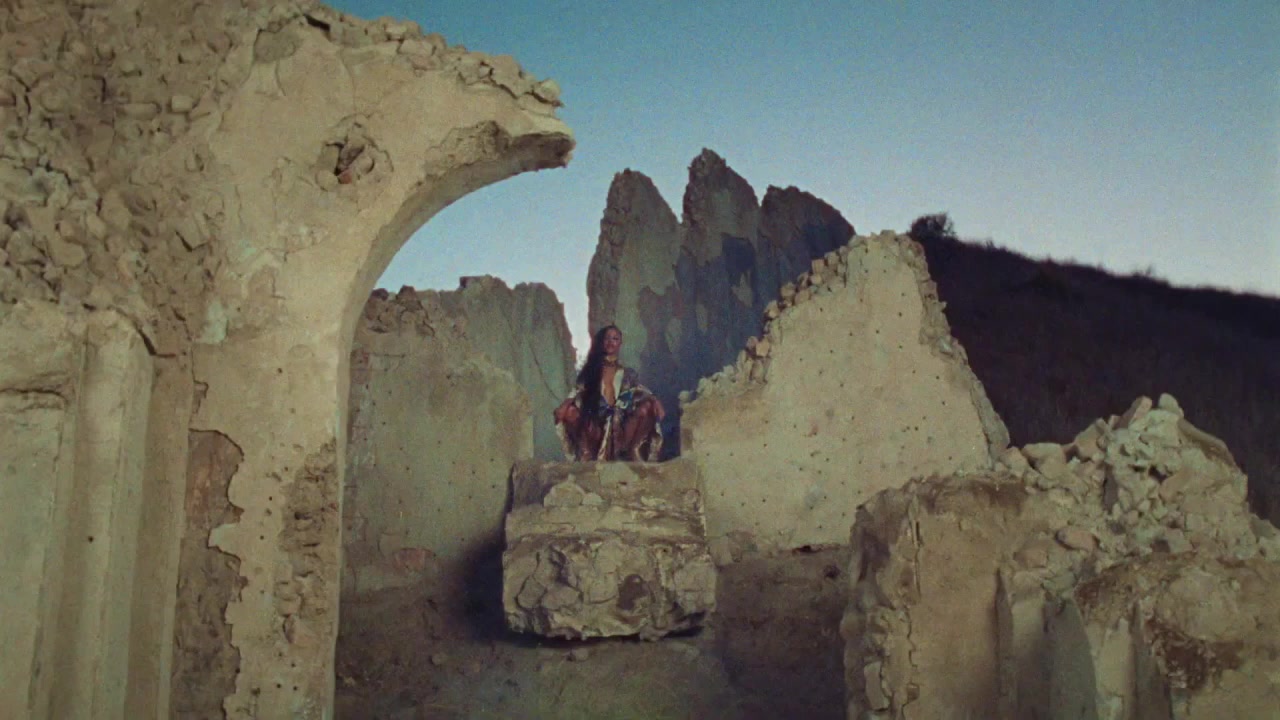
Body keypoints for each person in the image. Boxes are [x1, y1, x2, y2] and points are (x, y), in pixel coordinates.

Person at [553, 324, 666, 462]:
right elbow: (576, 391)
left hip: (621, 431)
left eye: (615, 339)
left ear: (620, 343)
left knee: (648, 406)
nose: (610, 342)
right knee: (569, 411)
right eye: (607, 338)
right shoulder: (591, 372)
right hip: (596, 430)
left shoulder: (628, 374)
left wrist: (655, 401)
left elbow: (641, 391)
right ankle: (586, 452)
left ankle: (633, 450)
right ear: (602, 342)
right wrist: (564, 406)